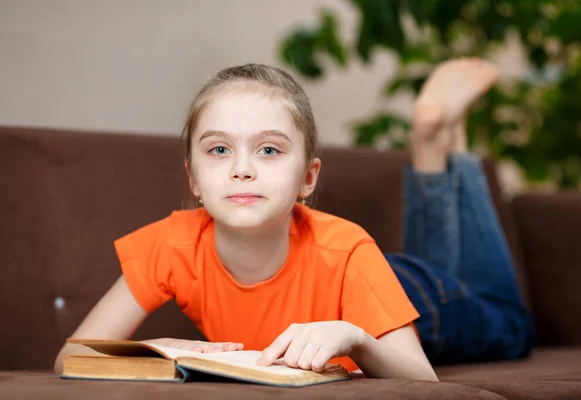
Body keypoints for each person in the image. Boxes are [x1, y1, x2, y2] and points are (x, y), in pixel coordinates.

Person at [53, 58, 533, 380]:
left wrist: (356, 338)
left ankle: (443, 147)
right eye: (219, 150)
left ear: (308, 178)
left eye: (268, 149)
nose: (242, 168)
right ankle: (438, 143)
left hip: (403, 294)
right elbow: (70, 358)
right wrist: (158, 352)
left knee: (508, 322)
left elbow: (423, 379)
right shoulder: (172, 245)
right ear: (194, 180)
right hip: (360, 286)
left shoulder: (347, 249)